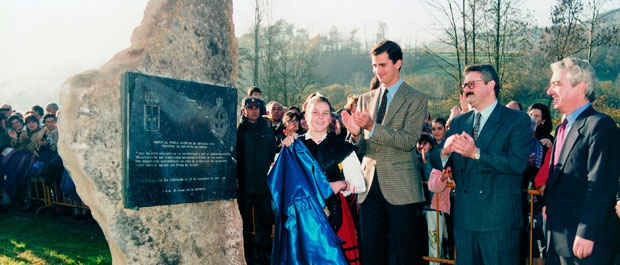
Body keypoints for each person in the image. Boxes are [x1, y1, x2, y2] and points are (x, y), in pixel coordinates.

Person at [341, 40, 428, 265]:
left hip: (402, 188)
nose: (377, 71)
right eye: (374, 66)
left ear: (398, 63)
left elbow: (408, 141)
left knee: (404, 254)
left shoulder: (416, 98)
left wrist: (371, 127)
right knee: (371, 252)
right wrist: (355, 135)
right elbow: (362, 149)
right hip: (369, 187)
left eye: (383, 65)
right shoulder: (365, 99)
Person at [436, 64, 532, 265]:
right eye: (464, 85)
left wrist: (477, 154)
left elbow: (518, 164)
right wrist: (444, 152)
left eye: (472, 83)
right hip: (465, 221)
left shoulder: (516, 120)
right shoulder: (459, 123)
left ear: (491, 85)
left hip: (499, 222)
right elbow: (440, 163)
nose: (466, 89)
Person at [543, 57, 618, 265]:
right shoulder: (561, 128)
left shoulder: (600, 126)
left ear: (581, 86)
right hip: (557, 238)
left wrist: (587, 232)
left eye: (556, 84)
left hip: (582, 243)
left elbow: (601, 185)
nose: (549, 91)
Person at [280, 95, 364, 265]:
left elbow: (359, 184)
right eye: (315, 112)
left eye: (325, 113)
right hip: (302, 218)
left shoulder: (343, 147)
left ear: (331, 117)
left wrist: (344, 186)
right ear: (305, 117)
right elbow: (282, 186)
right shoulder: (293, 147)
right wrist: (327, 187)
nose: (320, 117)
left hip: (337, 214)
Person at [235, 97, 276, 265]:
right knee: (247, 226)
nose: (254, 110)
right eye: (250, 107)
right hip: (245, 186)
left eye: (257, 107)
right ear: (244, 110)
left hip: (264, 186)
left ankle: (266, 258)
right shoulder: (240, 131)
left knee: (265, 224)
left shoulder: (266, 130)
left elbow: (273, 154)